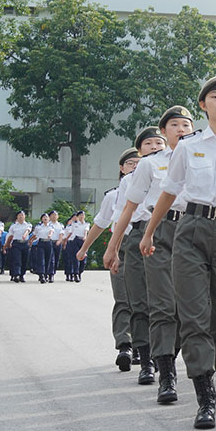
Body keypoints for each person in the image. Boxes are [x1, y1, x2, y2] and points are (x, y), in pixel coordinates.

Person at [140, 75, 216, 430]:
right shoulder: (188, 146)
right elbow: (169, 189)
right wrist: (149, 231)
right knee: (193, 315)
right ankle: (205, 394)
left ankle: (211, 360)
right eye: (215, 97)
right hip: (190, 230)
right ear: (204, 105)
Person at [107, 108, 194, 400]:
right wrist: (113, 246)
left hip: (192, 231)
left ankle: (166, 353)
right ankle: (162, 370)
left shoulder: (202, 158)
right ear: (164, 132)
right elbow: (128, 209)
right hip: (153, 233)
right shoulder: (150, 165)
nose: (180, 129)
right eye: (174, 125)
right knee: (157, 304)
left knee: (188, 306)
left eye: (186, 124)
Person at [78, 148, 140, 370]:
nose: (135, 166)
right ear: (122, 168)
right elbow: (101, 223)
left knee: (147, 301)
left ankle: (146, 347)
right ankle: (125, 345)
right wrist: (84, 248)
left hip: (146, 247)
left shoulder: (155, 190)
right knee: (123, 298)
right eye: (131, 163)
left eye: (138, 163)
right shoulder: (113, 196)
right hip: (121, 247)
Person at [3, 210, 32, 283]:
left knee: (24, 260)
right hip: (16, 244)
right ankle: (16, 275)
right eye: (19, 215)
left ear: (25, 216)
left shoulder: (28, 225)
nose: (21, 217)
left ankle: (22, 275)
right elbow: (9, 235)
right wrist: (7, 244)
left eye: (22, 215)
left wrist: (25, 235)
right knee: (17, 259)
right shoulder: (13, 226)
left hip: (25, 243)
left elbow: (28, 230)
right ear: (17, 217)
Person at [28, 213, 55, 283]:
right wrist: (30, 240)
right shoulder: (38, 227)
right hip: (41, 243)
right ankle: (41, 275)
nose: (45, 218)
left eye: (46, 217)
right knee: (41, 259)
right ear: (42, 219)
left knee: (48, 259)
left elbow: (51, 232)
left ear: (49, 219)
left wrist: (49, 235)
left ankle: (46, 274)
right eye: (44, 217)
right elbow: (35, 235)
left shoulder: (51, 226)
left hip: (48, 243)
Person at [47, 211, 64, 282]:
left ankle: (53, 272)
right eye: (52, 215)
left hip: (57, 242)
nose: (54, 216)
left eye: (55, 215)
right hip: (49, 242)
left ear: (58, 216)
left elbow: (61, 233)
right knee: (51, 259)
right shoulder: (47, 224)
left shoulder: (60, 225)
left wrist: (59, 241)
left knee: (56, 259)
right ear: (49, 217)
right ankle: (50, 274)